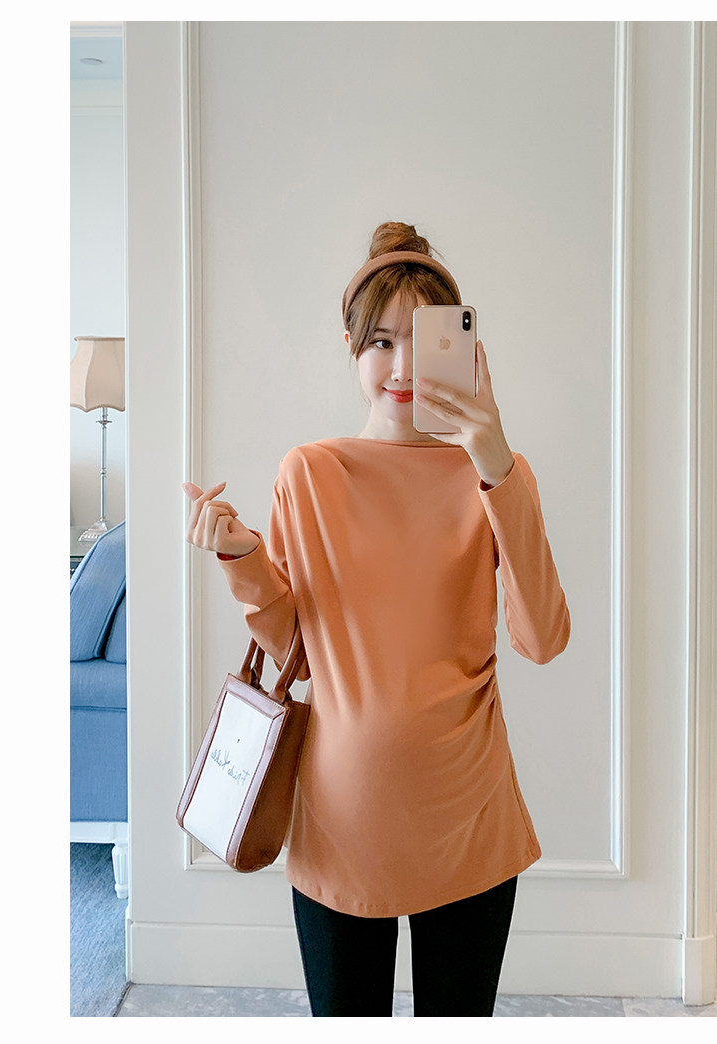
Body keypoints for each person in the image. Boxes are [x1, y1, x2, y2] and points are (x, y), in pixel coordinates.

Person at [183, 222, 571, 1017]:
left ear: (462, 351)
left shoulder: (497, 476)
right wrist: (242, 558)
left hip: (468, 822)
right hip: (340, 822)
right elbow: (298, 649)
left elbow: (542, 639)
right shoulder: (310, 473)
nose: (400, 368)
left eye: (422, 344)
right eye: (381, 342)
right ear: (351, 348)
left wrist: (495, 461)